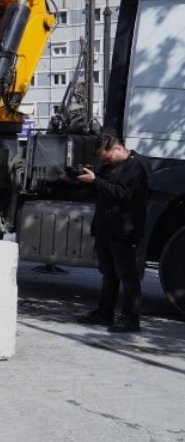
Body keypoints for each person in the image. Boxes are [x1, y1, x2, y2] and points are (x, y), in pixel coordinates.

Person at [76, 131, 149, 333]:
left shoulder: (137, 166)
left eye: (107, 158)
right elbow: (103, 190)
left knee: (128, 276)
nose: (105, 162)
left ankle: (131, 319)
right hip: (106, 228)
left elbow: (123, 194)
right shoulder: (111, 167)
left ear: (117, 148)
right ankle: (105, 313)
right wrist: (88, 180)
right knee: (109, 274)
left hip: (124, 230)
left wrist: (96, 181)